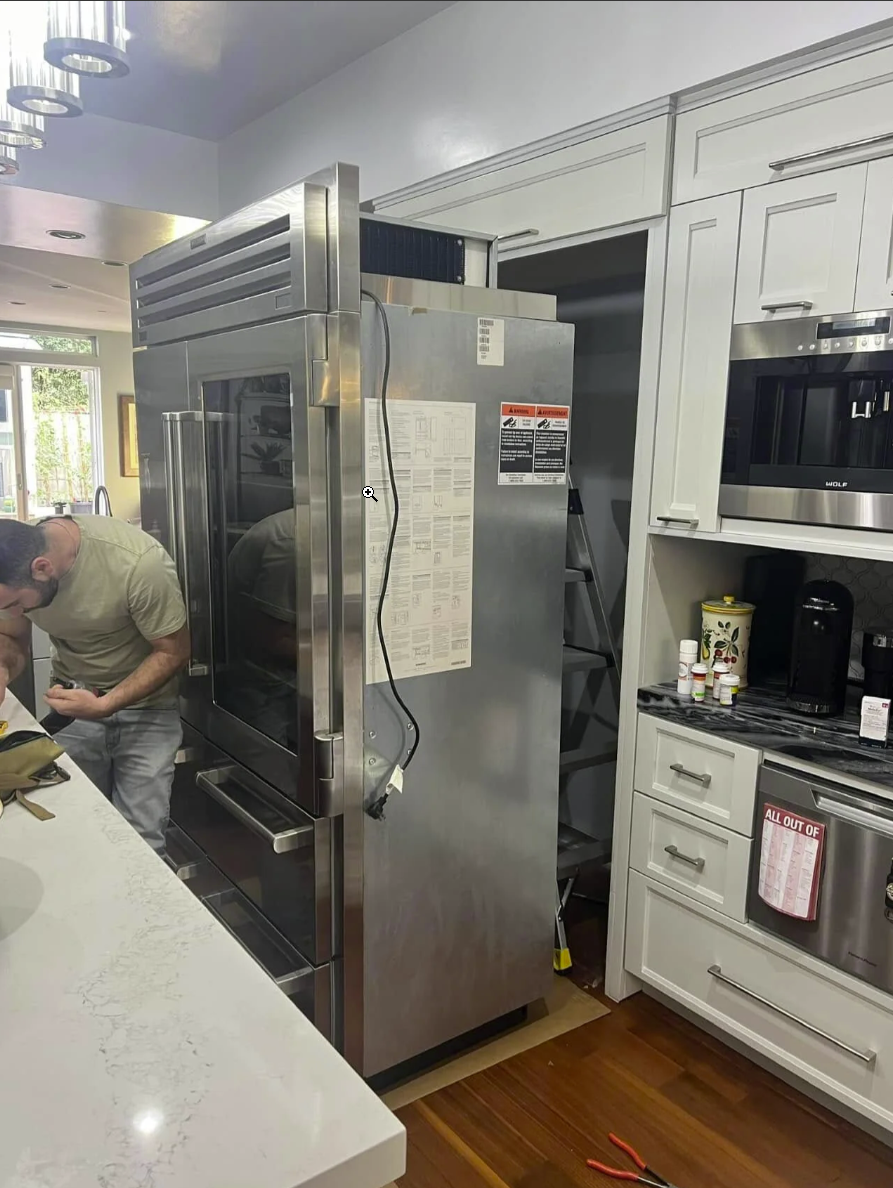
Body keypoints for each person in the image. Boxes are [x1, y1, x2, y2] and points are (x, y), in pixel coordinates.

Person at [0, 515, 189, 853]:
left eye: (16, 604)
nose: (14, 613)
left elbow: (173, 651)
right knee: (75, 824)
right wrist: (1, 669)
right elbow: (11, 638)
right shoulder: (10, 569)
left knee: (140, 839)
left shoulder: (138, 564)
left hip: (147, 711)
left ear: (42, 568)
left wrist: (106, 704)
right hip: (73, 706)